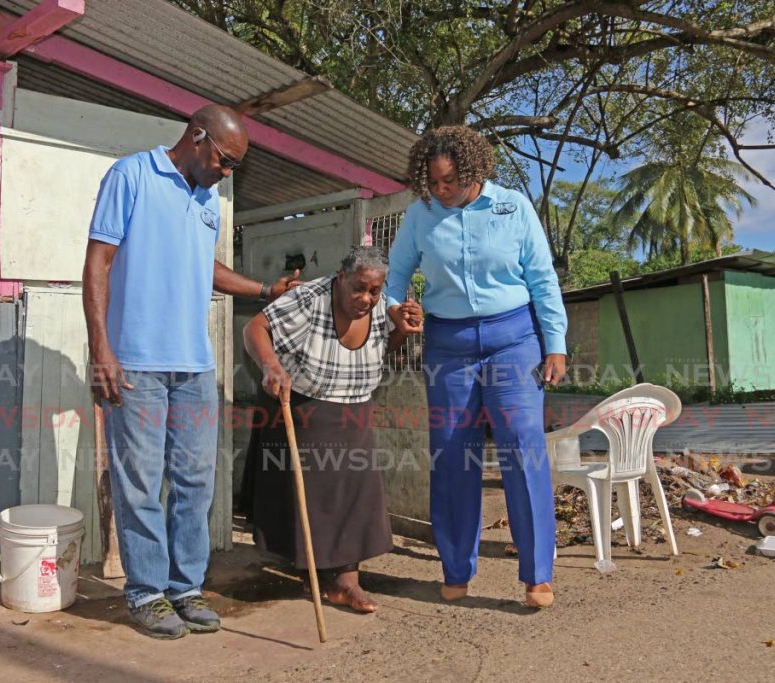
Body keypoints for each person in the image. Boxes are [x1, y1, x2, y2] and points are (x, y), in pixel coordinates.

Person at [82, 104, 299, 639]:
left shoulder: (208, 202)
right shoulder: (130, 175)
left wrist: (265, 290)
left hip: (195, 366)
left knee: (196, 482)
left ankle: (185, 588)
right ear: (197, 137)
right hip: (136, 362)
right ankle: (146, 592)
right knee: (139, 481)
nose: (227, 173)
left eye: (234, 167)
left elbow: (209, 268)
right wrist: (101, 349)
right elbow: (98, 262)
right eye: (225, 161)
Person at [385, 126, 568, 609]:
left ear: (474, 172)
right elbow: (396, 273)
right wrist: (393, 308)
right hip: (449, 345)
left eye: (449, 181)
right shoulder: (420, 215)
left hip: (515, 340)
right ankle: (455, 569)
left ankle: (537, 575)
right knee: (450, 453)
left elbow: (542, 278)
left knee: (522, 446)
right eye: (433, 182)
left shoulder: (513, 207)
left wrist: (556, 343)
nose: (440, 190)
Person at [242, 246, 423, 613]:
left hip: (354, 406)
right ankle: (316, 572)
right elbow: (255, 327)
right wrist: (270, 366)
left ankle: (345, 583)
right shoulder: (310, 298)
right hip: (303, 405)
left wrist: (402, 331)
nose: (366, 298)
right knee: (313, 499)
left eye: (374, 291)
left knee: (356, 493)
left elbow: (382, 349)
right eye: (359, 288)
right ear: (341, 278)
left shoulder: (380, 306)